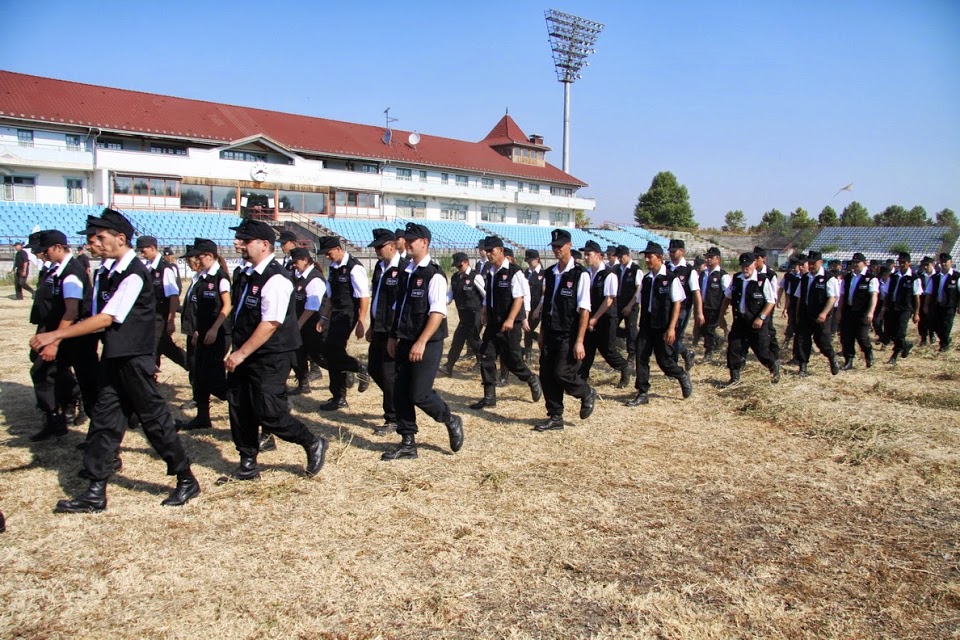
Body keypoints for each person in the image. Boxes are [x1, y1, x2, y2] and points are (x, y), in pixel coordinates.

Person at [30, 208, 199, 512]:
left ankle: (185, 477)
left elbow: (107, 318)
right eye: (92, 238)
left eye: (100, 237)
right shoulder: (105, 273)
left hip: (134, 361)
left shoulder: (134, 274)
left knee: (156, 424)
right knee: (104, 423)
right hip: (113, 358)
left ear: (120, 239)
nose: (92, 243)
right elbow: (96, 316)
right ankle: (96, 490)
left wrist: (55, 336)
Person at [223, 218, 328, 481]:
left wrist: (241, 353)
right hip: (245, 352)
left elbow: (270, 323)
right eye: (239, 239)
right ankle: (248, 463)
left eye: (245, 240)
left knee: (268, 411)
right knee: (239, 407)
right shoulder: (247, 274)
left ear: (264, 245)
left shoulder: (276, 279)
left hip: (269, 355)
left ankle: (312, 441)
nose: (238, 244)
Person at [381, 222, 463, 460]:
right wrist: (392, 336)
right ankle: (408, 442)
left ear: (424, 243)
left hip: (427, 342)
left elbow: (438, 312)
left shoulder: (434, 275)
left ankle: (450, 419)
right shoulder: (406, 273)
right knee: (400, 392)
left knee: (420, 394)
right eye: (405, 240)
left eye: (411, 240)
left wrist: (421, 342)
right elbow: (398, 308)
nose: (406, 243)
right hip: (404, 338)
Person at [27, 231, 99, 441]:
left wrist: (54, 341)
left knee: (89, 385)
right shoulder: (57, 270)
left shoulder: (71, 273)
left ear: (58, 247)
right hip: (64, 333)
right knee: (44, 371)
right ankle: (55, 419)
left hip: (77, 337)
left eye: (46, 250)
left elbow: (72, 311)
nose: (43, 255)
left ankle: (98, 436)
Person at [535, 229, 596, 431]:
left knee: (562, 373)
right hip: (551, 330)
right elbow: (547, 306)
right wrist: (542, 333)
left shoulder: (580, 275)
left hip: (568, 334)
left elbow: (584, 309)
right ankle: (555, 416)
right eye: (554, 246)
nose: (556, 249)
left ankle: (586, 392)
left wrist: (580, 340)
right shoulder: (550, 273)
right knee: (546, 374)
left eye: (560, 246)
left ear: (569, 245)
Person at [470, 236, 542, 410]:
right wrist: (485, 310)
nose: (488, 254)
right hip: (494, 322)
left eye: (491, 251)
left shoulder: (514, 272)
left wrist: (511, 319)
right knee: (486, 356)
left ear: (501, 250)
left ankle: (531, 378)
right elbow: (489, 294)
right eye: (486, 251)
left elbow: (518, 298)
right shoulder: (491, 271)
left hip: (510, 324)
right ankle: (489, 397)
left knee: (512, 360)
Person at [625, 241, 693, 407]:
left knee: (665, 362)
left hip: (664, 326)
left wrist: (671, 328)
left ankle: (681, 375)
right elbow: (639, 300)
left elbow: (678, 303)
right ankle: (642, 392)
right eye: (646, 257)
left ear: (660, 258)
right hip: (647, 325)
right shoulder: (647, 279)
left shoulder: (670, 278)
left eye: (650, 257)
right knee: (641, 357)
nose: (647, 260)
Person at [177, 239, 231, 431]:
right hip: (203, 334)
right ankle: (202, 417)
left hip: (218, 334)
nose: (197, 261)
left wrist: (215, 328)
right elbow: (199, 309)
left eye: (199, 257)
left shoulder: (220, 277)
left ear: (209, 256)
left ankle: (240, 404)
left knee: (213, 378)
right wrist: (197, 329)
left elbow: (227, 306)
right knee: (199, 376)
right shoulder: (202, 277)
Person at [316, 235, 370, 411]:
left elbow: (363, 296)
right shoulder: (333, 268)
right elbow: (330, 297)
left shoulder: (354, 268)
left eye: (329, 253)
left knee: (334, 350)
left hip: (348, 313)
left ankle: (358, 367)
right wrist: (324, 317)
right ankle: (338, 395)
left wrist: (361, 321)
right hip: (335, 313)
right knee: (330, 353)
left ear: (338, 249)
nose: (327, 257)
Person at [366, 229, 409, 435]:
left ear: (392, 246)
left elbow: (402, 304)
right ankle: (400, 398)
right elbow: (377, 298)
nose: (376, 251)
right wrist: (371, 325)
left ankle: (393, 417)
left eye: (379, 247)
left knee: (388, 373)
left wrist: (398, 333)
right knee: (373, 368)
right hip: (379, 327)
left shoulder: (403, 269)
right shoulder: (379, 267)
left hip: (392, 331)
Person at [717, 252, 781, 387]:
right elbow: (727, 297)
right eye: (743, 266)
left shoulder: (762, 280)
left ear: (754, 264)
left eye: (748, 265)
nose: (745, 268)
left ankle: (773, 365)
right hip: (740, 320)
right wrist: (721, 316)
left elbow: (770, 302)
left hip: (757, 322)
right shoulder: (736, 279)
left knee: (761, 351)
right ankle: (734, 377)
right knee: (734, 348)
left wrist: (761, 317)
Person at [579, 240, 631, 388]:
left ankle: (624, 367)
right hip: (590, 317)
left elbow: (609, 299)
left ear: (599, 256)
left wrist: (594, 318)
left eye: (589, 254)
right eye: (585, 254)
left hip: (606, 318)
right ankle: (583, 377)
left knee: (607, 350)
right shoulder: (587, 273)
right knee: (587, 347)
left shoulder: (609, 274)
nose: (586, 257)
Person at [137, 236, 188, 372]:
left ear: (152, 248)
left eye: (143, 250)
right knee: (165, 347)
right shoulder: (147, 268)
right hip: (150, 316)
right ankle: (193, 366)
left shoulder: (165, 269)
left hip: (160, 316)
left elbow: (173, 297)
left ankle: (149, 376)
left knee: (151, 347)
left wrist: (171, 320)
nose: (142, 254)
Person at [793, 251, 840, 376]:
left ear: (821, 262)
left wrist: (824, 313)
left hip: (820, 316)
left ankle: (832, 358)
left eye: (814, 263)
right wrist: (797, 314)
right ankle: (803, 367)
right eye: (810, 263)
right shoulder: (805, 278)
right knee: (802, 341)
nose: (812, 265)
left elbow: (832, 298)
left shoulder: (829, 278)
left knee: (822, 342)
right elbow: (799, 297)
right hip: (805, 315)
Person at [288, 247, 327, 395]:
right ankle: (303, 384)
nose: (294, 265)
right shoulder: (302, 278)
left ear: (305, 260)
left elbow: (312, 307)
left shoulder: (314, 279)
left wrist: (298, 324)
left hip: (312, 324)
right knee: (297, 354)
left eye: (296, 262)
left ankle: (345, 369)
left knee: (319, 356)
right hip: (302, 324)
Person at [442, 252, 484, 376]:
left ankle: (483, 362)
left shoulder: (475, 277)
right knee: (464, 338)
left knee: (470, 338)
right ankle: (450, 366)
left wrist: (486, 312)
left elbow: (485, 294)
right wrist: (443, 302)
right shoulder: (455, 277)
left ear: (466, 262)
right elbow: (450, 294)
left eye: (460, 266)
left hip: (475, 313)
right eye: (456, 266)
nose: (458, 269)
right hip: (463, 314)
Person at [836, 252, 878, 370]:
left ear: (864, 263)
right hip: (849, 310)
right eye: (853, 262)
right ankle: (849, 361)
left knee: (862, 336)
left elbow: (874, 296)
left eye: (857, 262)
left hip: (862, 311)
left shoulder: (870, 278)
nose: (854, 265)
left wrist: (870, 312)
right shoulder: (848, 277)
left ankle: (868, 354)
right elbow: (842, 295)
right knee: (847, 337)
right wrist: (839, 311)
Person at [666, 239, 702, 371]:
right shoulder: (666, 267)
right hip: (667, 308)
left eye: (674, 251)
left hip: (683, 308)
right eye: (670, 251)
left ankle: (677, 361)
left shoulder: (688, 270)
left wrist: (699, 312)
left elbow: (696, 292)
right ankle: (684, 355)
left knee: (674, 337)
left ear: (682, 252)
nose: (671, 254)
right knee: (668, 336)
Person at [882, 251, 923, 365]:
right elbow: (886, 293)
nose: (902, 264)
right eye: (900, 262)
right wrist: (883, 308)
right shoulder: (893, 277)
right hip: (892, 307)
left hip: (905, 308)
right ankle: (905, 345)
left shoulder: (914, 278)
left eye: (904, 262)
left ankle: (894, 355)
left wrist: (916, 313)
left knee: (900, 333)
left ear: (909, 263)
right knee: (890, 332)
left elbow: (916, 298)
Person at [699, 247, 732, 361]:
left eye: (711, 257)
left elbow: (727, 293)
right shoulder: (704, 274)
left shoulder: (722, 275)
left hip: (715, 308)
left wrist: (724, 308)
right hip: (704, 306)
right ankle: (718, 340)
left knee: (709, 329)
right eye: (707, 257)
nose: (708, 260)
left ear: (718, 259)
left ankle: (709, 351)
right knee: (703, 329)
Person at [613, 245, 642, 363]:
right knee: (613, 327)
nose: (620, 259)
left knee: (631, 328)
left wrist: (630, 305)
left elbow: (639, 289)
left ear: (628, 255)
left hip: (631, 305)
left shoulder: (636, 270)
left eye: (621, 256)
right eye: (618, 257)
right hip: (618, 303)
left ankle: (632, 355)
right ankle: (633, 336)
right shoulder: (616, 269)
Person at [925, 253, 958, 352]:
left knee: (946, 325)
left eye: (946, 262)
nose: (943, 264)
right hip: (937, 305)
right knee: (934, 326)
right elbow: (929, 292)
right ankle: (946, 339)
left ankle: (944, 345)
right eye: (942, 262)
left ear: (951, 262)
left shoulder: (956, 276)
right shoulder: (935, 277)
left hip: (949, 306)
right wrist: (926, 305)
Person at [522, 249, 545, 364]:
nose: (529, 263)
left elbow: (544, 293)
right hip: (527, 306)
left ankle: (530, 353)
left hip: (537, 307)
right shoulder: (527, 272)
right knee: (527, 330)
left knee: (529, 330)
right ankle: (528, 354)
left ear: (537, 259)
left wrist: (538, 308)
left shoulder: (543, 274)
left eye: (531, 260)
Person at [917, 257, 937, 346]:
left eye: (927, 265)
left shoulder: (937, 275)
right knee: (922, 320)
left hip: (933, 299)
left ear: (932, 264)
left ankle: (932, 334)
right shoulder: (920, 275)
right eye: (924, 265)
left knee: (932, 318)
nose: (925, 267)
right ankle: (923, 338)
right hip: (922, 298)